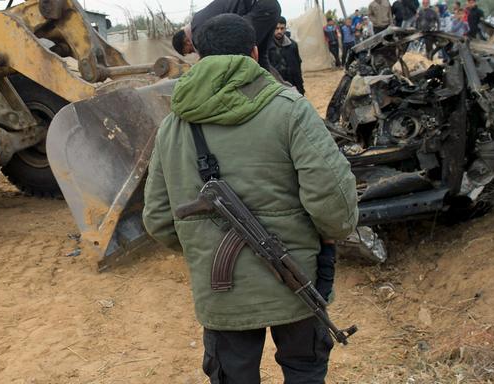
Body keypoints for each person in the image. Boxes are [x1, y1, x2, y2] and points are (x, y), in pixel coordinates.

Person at [143, 13, 359, 384]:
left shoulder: (172, 126)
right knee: (305, 370)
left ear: (198, 55)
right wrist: (326, 236)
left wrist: (204, 244)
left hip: (220, 290)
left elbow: (160, 218)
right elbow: (333, 200)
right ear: (255, 53)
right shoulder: (290, 110)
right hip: (296, 278)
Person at [172, 0, 282, 69]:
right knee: (261, 53)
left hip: (258, 8)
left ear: (186, 41)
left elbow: (213, 59)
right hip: (271, 6)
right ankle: (270, 85)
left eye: (190, 50)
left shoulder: (197, 33)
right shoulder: (199, 19)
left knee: (238, 55)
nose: (194, 50)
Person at [270, 17, 305, 94]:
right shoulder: (267, 47)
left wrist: (300, 87)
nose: (279, 31)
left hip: (293, 85)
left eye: (282, 28)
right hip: (276, 87)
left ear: (285, 29)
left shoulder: (292, 45)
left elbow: (297, 68)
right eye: (277, 28)